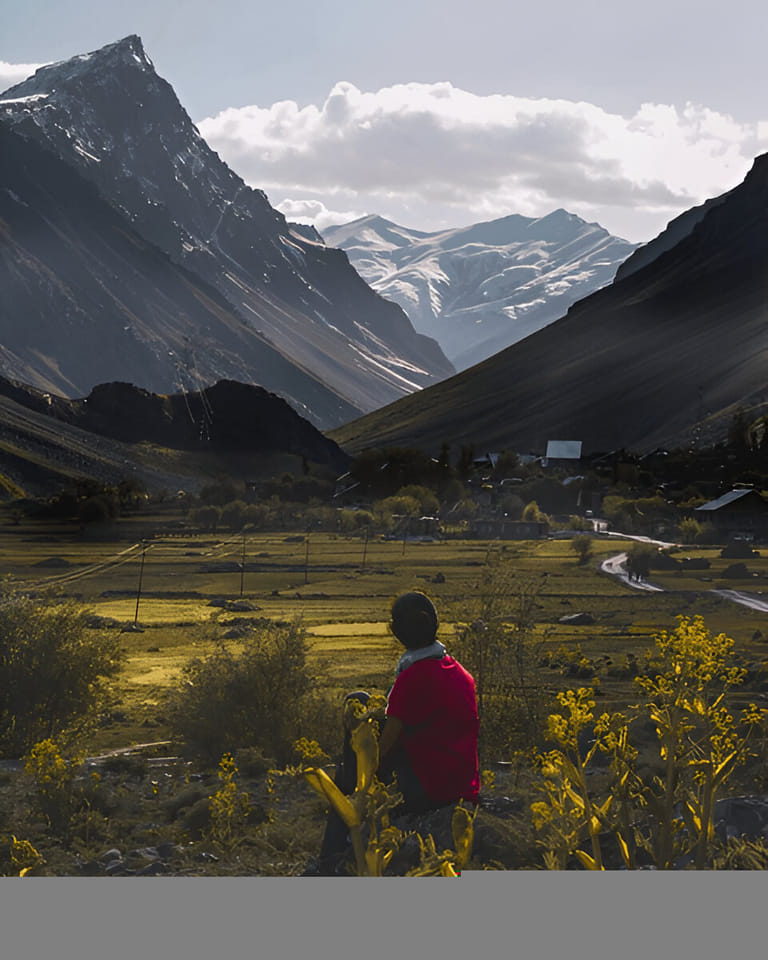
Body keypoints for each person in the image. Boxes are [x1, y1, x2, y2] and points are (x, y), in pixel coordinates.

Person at [314, 591, 479, 872]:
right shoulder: (459, 671)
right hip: (463, 782)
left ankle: (332, 852)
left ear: (396, 631)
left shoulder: (411, 678)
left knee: (357, 709)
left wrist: (359, 760)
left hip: (430, 789)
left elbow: (383, 748)